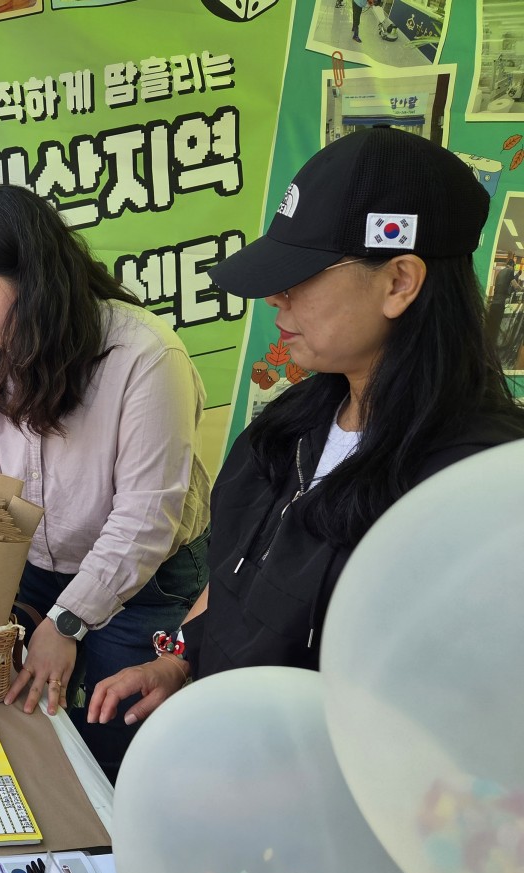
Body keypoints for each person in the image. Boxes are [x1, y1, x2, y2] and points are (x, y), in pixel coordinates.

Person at [88, 126, 524, 735]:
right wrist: (180, 661)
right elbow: (236, 573)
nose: (276, 298)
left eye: (302, 274)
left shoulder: (480, 489)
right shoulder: (292, 425)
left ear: (399, 281)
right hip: (232, 750)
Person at [0, 184, 212, 780]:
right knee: (18, 722)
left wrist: (66, 623)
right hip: (36, 566)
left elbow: (144, 520)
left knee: (109, 744)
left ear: (33, 284)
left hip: (145, 583)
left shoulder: (145, 358)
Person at [485, 253, 519, 360]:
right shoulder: (510, 271)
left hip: (494, 303)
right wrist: (521, 289)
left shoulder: (500, 272)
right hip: (500, 304)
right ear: (512, 266)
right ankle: (492, 353)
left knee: (491, 328)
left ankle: (487, 351)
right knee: (496, 330)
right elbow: (515, 286)